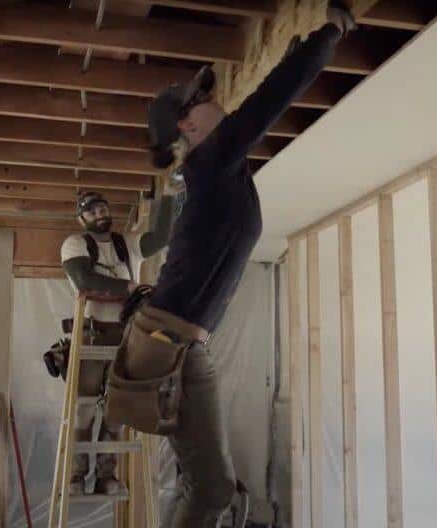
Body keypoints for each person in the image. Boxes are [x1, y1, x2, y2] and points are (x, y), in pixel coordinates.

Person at [105, 3, 358, 526]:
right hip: (172, 343)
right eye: (205, 100)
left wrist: (291, 55)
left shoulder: (220, 170)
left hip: (173, 339)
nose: (218, 103)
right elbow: (271, 99)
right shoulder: (211, 163)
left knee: (204, 485)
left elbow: (265, 99)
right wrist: (330, 33)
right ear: (188, 124)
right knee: (214, 490)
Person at [57, 190, 174, 495]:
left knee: (117, 407)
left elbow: (160, 238)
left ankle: (106, 475)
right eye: (92, 212)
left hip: (126, 335)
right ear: (82, 218)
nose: (100, 215)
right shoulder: (76, 244)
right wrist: (130, 286)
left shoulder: (127, 244)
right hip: (93, 334)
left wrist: (167, 198)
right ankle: (76, 476)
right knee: (83, 409)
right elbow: (86, 281)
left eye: (103, 209)